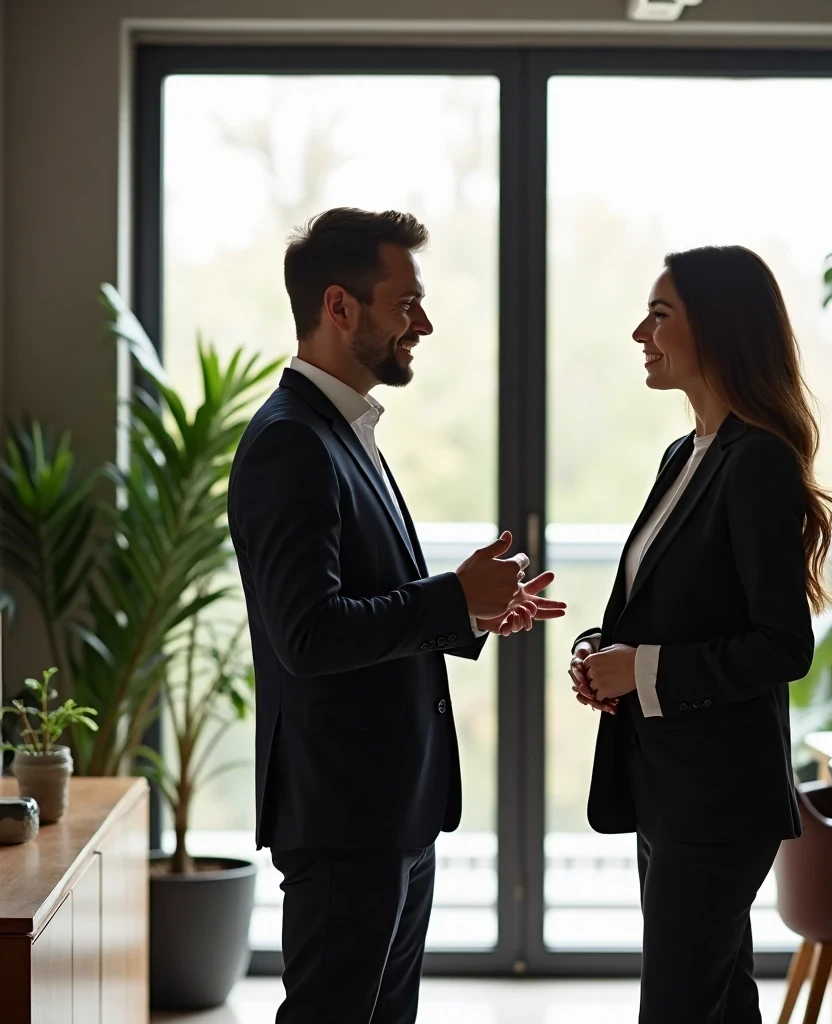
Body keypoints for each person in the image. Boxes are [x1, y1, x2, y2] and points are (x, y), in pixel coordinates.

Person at [227, 207, 565, 1024]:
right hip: (346, 817)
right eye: (405, 302)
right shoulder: (290, 443)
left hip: (390, 810)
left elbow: (366, 606)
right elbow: (307, 634)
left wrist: (472, 613)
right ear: (340, 307)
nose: (424, 322)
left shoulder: (346, 432)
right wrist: (451, 596)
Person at [568, 245, 832, 1024]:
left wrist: (643, 670)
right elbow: (662, 606)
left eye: (660, 315)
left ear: (716, 330)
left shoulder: (757, 463)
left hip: (718, 803)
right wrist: (600, 651)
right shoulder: (684, 454)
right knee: (717, 1005)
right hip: (668, 787)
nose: (639, 333)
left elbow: (783, 645)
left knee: (680, 1008)